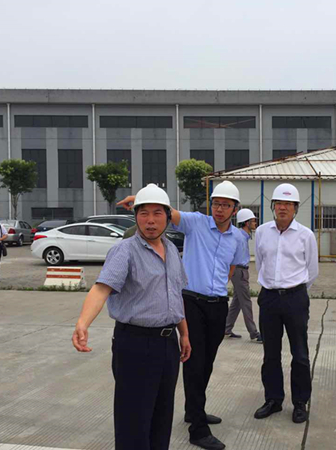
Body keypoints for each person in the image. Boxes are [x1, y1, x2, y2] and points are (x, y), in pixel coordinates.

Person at [118, 180, 245, 450]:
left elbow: (232, 268)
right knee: (194, 364)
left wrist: (216, 288)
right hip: (191, 302)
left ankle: (193, 410)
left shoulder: (238, 238)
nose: (219, 209)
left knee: (207, 362)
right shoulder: (196, 222)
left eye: (226, 205)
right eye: (216, 204)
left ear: (235, 209)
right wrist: (141, 199)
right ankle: (198, 430)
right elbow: (168, 212)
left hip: (218, 304)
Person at [72, 183, 191, 450]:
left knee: (162, 415)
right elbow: (101, 288)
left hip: (168, 344)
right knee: (133, 421)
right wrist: (82, 323)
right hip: (136, 344)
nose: (150, 221)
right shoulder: (124, 250)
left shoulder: (172, 250)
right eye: (143, 213)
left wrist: (183, 333)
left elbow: (176, 295)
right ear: (135, 216)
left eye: (157, 214)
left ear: (167, 217)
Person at [253, 183, 318, 424]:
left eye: (288, 204)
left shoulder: (306, 235)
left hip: (295, 298)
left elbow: (312, 270)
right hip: (269, 298)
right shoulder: (262, 232)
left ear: (295, 208)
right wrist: (273, 286)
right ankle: (273, 399)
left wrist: (294, 292)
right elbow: (260, 264)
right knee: (270, 353)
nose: (283, 208)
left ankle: (300, 402)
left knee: (299, 353)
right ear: (273, 206)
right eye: (279, 203)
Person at [224, 208, 261, 342]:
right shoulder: (239, 236)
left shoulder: (244, 236)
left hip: (241, 271)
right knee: (246, 302)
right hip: (239, 271)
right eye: (253, 221)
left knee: (237, 302)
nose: (255, 223)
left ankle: (226, 329)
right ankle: (254, 333)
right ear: (246, 222)